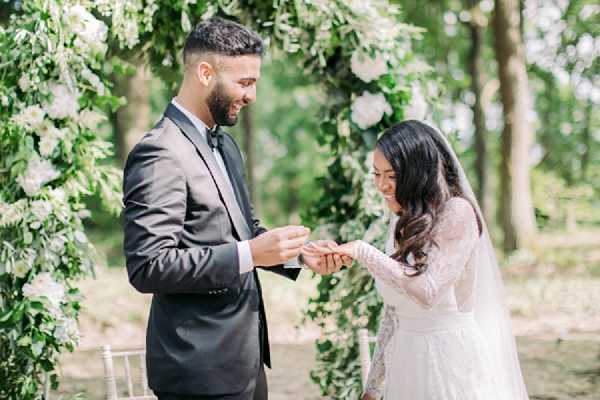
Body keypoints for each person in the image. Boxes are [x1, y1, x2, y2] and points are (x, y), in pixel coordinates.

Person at [122, 17, 343, 400]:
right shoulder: (160, 152)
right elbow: (148, 266)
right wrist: (248, 254)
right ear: (205, 73)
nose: (252, 95)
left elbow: (245, 231)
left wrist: (297, 255)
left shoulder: (225, 145)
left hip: (246, 360)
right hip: (198, 370)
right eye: (244, 82)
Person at [306, 120, 529, 399]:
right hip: (406, 360)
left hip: (449, 362)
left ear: (417, 173)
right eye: (376, 174)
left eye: (392, 175)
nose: (382, 185)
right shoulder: (401, 221)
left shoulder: (458, 213)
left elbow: (428, 291)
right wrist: (373, 387)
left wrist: (363, 251)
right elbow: (393, 313)